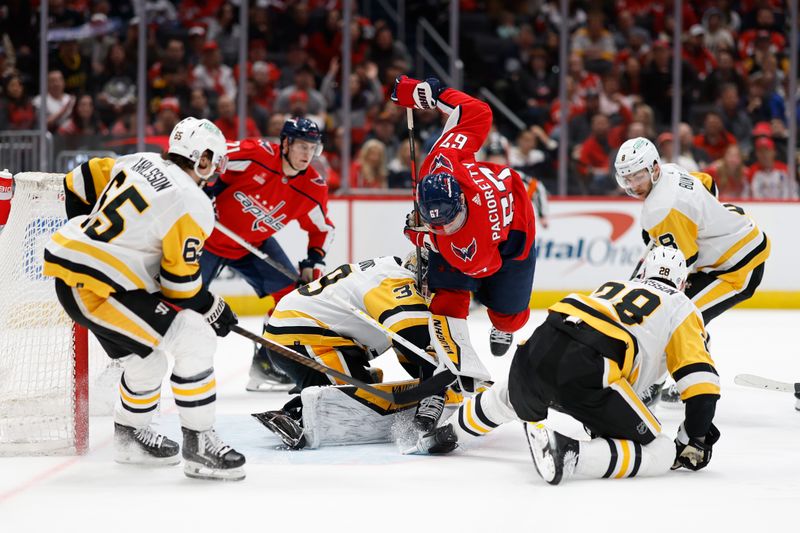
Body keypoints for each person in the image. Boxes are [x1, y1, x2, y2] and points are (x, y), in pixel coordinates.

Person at [42, 117, 245, 481]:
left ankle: (130, 437)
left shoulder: (138, 161)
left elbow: (78, 180)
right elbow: (180, 287)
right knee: (196, 336)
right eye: (215, 160)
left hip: (81, 279)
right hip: (99, 289)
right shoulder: (192, 201)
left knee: (146, 364)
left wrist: (91, 239)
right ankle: (200, 445)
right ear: (201, 158)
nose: (216, 169)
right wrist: (214, 307)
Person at [412, 247, 722, 485]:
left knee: (507, 397)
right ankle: (568, 453)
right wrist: (695, 438)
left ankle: (443, 436)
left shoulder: (615, 286)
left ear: (642, 272)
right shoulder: (683, 307)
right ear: (682, 282)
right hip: (591, 366)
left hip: (541, 343)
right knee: (661, 450)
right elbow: (700, 384)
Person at [391, 75, 537, 363]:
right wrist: (433, 93)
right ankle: (446, 361)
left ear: (460, 202)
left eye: (447, 222)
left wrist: (420, 235)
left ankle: (503, 324)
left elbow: (486, 267)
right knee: (448, 301)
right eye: (435, 221)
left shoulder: (472, 240)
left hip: (514, 233)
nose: (444, 227)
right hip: (472, 235)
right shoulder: (443, 159)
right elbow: (477, 112)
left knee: (509, 318)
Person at [614, 137, 770, 404]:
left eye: (638, 177)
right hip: (735, 238)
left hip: (738, 265)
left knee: (677, 319)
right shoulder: (672, 170)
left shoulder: (661, 209)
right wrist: (708, 220)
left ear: (653, 168)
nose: (633, 185)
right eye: (627, 179)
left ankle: (689, 380)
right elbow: (708, 184)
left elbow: (681, 265)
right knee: (681, 315)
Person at [252, 254, 456, 448]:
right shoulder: (400, 287)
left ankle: (327, 381)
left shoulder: (390, 272)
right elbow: (417, 345)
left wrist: (431, 380)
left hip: (304, 332)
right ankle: (294, 414)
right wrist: (438, 386)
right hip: (303, 338)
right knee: (353, 404)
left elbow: (407, 349)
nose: (434, 292)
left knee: (365, 390)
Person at [199, 117, 335, 392]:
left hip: (254, 244)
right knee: (181, 299)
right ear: (285, 143)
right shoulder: (255, 155)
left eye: (312, 148)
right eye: (301, 147)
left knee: (289, 297)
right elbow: (209, 154)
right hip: (207, 238)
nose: (307, 154)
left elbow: (323, 229)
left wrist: (313, 260)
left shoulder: (312, 187)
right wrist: (206, 188)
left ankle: (267, 363)